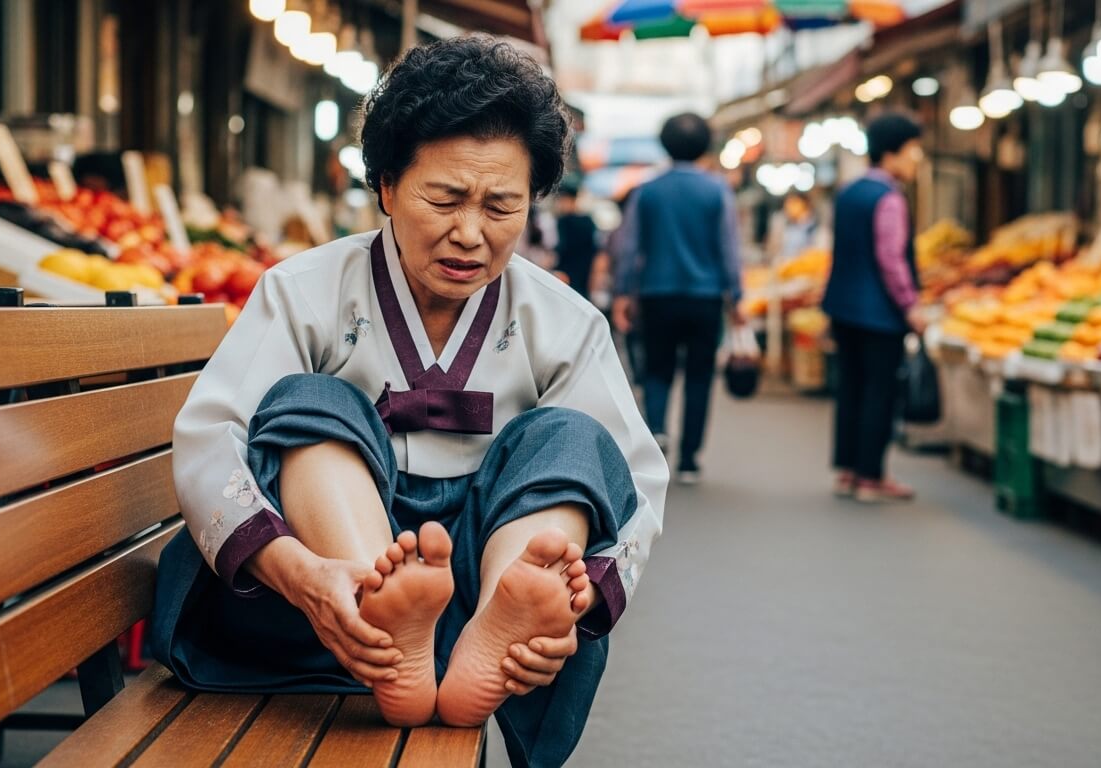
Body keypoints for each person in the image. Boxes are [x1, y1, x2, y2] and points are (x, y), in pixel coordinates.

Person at [149, 37, 668, 768]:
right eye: (445, 198)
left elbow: (637, 483)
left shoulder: (565, 322)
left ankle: (501, 622)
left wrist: (569, 611)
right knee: (311, 405)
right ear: (387, 186)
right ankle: (380, 616)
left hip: (475, 613)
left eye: (501, 206)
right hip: (318, 611)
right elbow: (213, 441)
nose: (470, 233)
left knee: (574, 441)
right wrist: (303, 574)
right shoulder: (304, 291)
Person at [612, 113, 743, 486]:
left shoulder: (648, 191)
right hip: (705, 299)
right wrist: (737, 296)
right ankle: (689, 459)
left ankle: (656, 434)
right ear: (705, 145)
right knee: (700, 376)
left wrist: (623, 292)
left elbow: (629, 246)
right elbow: (729, 247)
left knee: (658, 371)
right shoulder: (717, 190)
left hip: (657, 294)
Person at [821, 112, 924, 503]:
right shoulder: (890, 198)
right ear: (892, 154)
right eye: (914, 151)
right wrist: (910, 305)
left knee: (850, 388)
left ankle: (847, 471)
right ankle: (871, 477)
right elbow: (891, 259)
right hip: (880, 313)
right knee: (879, 392)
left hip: (843, 308)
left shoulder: (847, 193)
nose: (918, 159)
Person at [554, 185, 599, 299]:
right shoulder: (588, 220)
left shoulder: (564, 221)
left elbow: (562, 247)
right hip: (584, 272)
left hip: (570, 272)